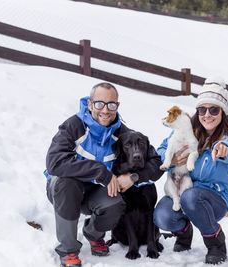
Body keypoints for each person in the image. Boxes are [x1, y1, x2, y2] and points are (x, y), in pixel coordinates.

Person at [44, 82, 163, 267]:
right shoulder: (73, 126)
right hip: (64, 189)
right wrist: (101, 172)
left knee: (117, 201)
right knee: (67, 184)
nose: (105, 110)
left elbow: (155, 161)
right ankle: (68, 251)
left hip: (94, 191)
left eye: (111, 105)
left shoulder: (123, 133)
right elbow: (54, 163)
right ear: (90, 104)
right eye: (99, 104)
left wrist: (133, 178)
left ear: (117, 106)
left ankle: (93, 235)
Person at [153, 77, 228, 265]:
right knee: (162, 216)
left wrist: (224, 150)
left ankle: (215, 243)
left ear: (222, 112)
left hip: (214, 198)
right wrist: (170, 159)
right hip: (183, 191)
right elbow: (162, 149)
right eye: (202, 109)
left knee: (191, 197)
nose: (207, 115)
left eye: (214, 109)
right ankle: (183, 233)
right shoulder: (186, 128)